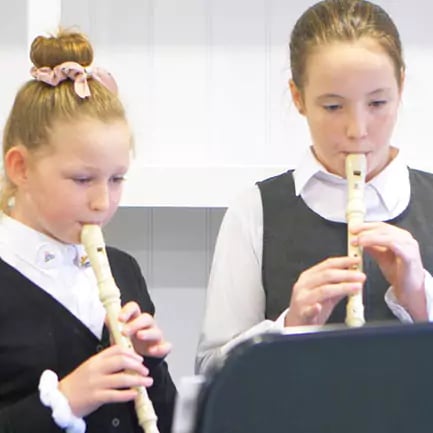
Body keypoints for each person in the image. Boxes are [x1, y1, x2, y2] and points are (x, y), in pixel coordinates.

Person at [196, 0, 433, 375]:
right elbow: (209, 371)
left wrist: (420, 300)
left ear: (401, 86)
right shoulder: (255, 211)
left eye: (377, 102)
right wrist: (288, 326)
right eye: (333, 106)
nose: (358, 129)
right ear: (298, 97)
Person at [0, 30, 176, 433]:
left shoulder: (123, 271)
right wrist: (63, 402)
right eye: (82, 179)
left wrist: (149, 363)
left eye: (116, 179)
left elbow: (164, 421)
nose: (103, 202)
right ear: (20, 168)